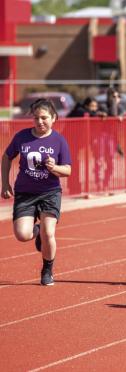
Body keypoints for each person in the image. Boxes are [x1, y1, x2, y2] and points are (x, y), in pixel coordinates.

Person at [1, 99, 72, 286]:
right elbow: (6, 157)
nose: (40, 122)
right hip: (25, 192)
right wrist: (5, 184)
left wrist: (55, 167)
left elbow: (67, 170)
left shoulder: (59, 140)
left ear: (54, 118)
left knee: (50, 233)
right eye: (36, 118)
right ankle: (36, 230)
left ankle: (47, 269)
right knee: (22, 235)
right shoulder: (22, 137)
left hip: (50, 192)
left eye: (44, 118)